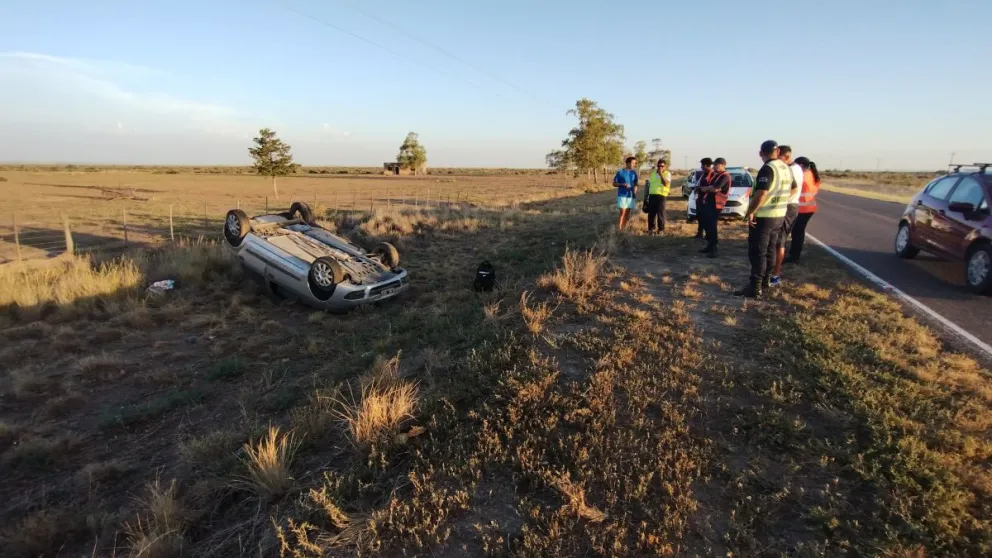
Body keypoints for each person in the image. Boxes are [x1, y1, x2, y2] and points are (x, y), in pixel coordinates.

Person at [733, 140, 797, 298]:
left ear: (761, 153)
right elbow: (795, 189)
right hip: (779, 216)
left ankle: (755, 286)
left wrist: (750, 212)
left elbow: (761, 194)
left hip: (764, 218)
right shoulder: (786, 168)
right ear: (777, 151)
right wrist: (781, 201)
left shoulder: (768, 168)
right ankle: (766, 281)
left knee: (758, 252)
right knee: (770, 250)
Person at [769, 145, 804, 286]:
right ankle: (771, 271)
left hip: (787, 207)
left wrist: (778, 202)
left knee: (780, 242)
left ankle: (775, 275)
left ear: (786, 156)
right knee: (776, 241)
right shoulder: (788, 168)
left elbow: (793, 190)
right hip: (784, 206)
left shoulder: (793, 170)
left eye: (778, 157)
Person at [786, 156, 821, 263]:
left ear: (800, 165)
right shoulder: (812, 174)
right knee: (798, 231)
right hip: (809, 208)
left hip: (802, 208)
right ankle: (794, 254)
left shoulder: (802, 176)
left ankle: (794, 256)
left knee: (797, 232)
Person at [696, 157, 731, 257]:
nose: (714, 166)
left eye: (716, 164)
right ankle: (709, 246)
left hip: (717, 204)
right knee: (708, 225)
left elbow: (715, 188)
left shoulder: (725, 176)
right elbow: (711, 186)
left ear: (722, 165)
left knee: (712, 226)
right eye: (714, 164)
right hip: (710, 203)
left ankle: (714, 249)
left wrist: (702, 189)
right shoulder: (717, 175)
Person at [642, 159, 672, 233]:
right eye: (659, 166)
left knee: (660, 214)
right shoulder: (653, 174)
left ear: (665, 167)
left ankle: (661, 229)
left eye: (662, 166)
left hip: (661, 196)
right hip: (652, 196)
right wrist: (646, 198)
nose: (660, 167)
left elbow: (666, 184)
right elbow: (649, 185)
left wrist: (661, 174)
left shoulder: (667, 174)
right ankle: (651, 229)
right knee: (651, 214)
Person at [613, 156, 639, 231]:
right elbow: (614, 183)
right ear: (627, 163)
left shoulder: (634, 173)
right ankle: (619, 229)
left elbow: (636, 183)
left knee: (627, 214)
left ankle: (623, 228)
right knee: (622, 213)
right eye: (633, 163)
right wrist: (622, 185)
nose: (634, 165)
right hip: (622, 195)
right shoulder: (620, 172)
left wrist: (635, 188)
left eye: (635, 163)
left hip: (631, 195)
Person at [693, 158, 715, 239]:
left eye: (702, 165)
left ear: (705, 165)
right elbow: (699, 184)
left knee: (706, 218)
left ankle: (708, 235)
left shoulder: (713, 174)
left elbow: (712, 187)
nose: (701, 167)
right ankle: (700, 233)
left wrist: (701, 188)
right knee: (700, 217)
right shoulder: (704, 174)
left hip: (707, 200)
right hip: (700, 199)